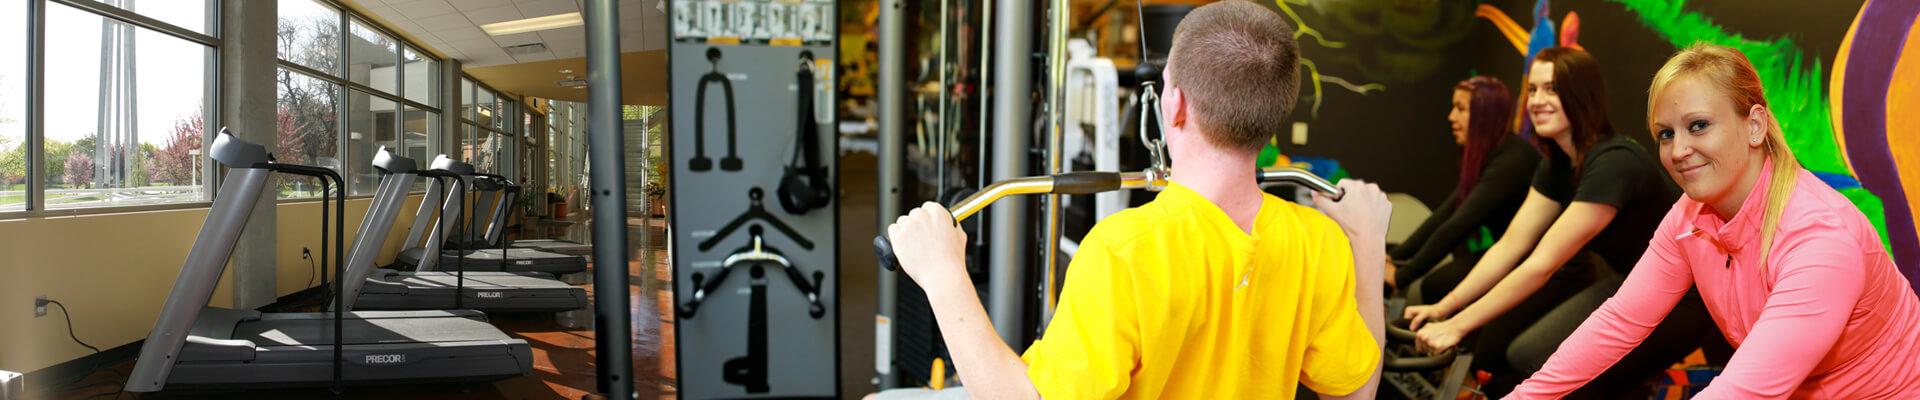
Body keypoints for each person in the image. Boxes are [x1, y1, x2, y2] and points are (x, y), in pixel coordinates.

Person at [879, 1, 1393, 398]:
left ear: (1176, 105)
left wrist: (943, 275)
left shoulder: (1125, 251)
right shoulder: (1318, 241)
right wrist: (1367, 243)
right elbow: (1358, 391)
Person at [1510, 44, 1920, 399]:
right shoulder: (1690, 215)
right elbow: (1621, 320)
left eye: (1699, 126)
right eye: (1665, 134)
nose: (1678, 150)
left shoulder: (1820, 239)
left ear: (1755, 125)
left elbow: (1743, 391)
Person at [1402, 47, 1717, 398]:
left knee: (1571, 374)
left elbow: (1541, 264)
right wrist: (1444, 309)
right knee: (1524, 354)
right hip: (1632, 279)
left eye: (1551, 88)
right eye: (1533, 89)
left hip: (1687, 298)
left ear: (1582, 95)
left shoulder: (1614, 163)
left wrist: (1456, 326)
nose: (1537, 100)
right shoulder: (1557, 164)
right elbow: (1511, 245)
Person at [1391, 76, 1540, 305]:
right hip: (1513, 255)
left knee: (1437, 284)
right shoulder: (1491, 156)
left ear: (1485, 117)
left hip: (1533, 262)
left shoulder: (1512, 161)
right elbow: (1445, 214)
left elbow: (1458, 225)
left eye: (1460, 109)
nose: (1451, 117)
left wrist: (1400, 276)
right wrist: (1395, 256)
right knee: (1435, 282)